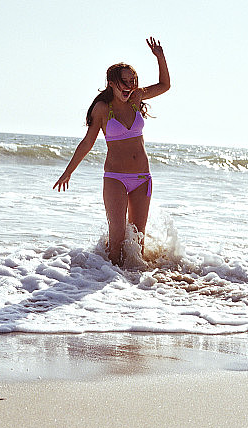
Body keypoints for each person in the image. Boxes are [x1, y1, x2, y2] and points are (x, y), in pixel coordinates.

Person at [53, 38, 171, 265]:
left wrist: (160, 57)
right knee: (116, 239)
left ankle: (131, 288)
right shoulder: (102, 109)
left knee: (138, 240)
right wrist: (68, 172)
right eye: (122, 82)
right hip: (115, 178)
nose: (128, 85)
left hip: (142, 178)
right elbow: (87, 142)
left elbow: (165, 85)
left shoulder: (136, 99)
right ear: (111, 84)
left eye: (131, 81)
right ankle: (104, 281)